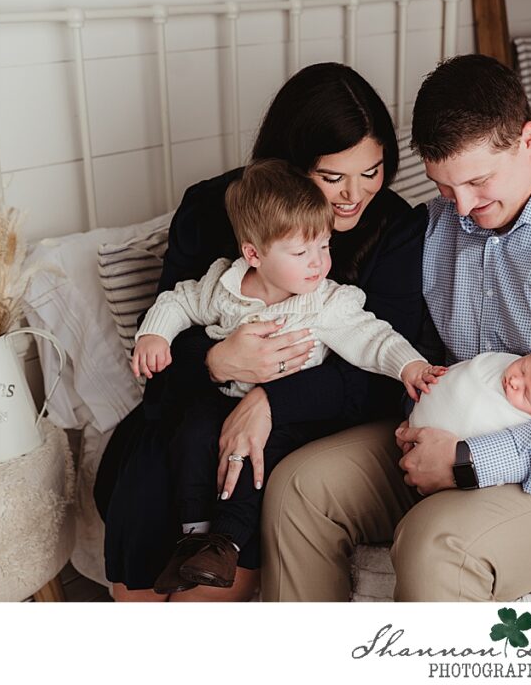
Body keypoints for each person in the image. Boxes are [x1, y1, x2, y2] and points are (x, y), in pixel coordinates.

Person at [261, 54, 531, 601]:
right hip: (453, 425)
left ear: (528, 139)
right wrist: (419, 422)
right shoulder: (436, 224)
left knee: (434, 544)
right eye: (445, 187)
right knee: (298, 487)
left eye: (478, 181)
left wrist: (465, 462)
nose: (463, 207)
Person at [93, 62, 440, 602]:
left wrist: (269, 400)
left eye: (372, 172)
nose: (354, 195)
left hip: (307, 417)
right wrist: (217, 362)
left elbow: (378, 369)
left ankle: (220, 553)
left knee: (244, 485)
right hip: (195, 400)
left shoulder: (396, 229)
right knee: (153, 506)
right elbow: (167, 333)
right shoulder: (213, 210)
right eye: (332, 177)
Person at [408, 346, 531, 439]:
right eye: (523, 368)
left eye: (526, 393)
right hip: (419, 402)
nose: (514, 381)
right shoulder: (505, 362)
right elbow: (465, 372)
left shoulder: (520, 425)